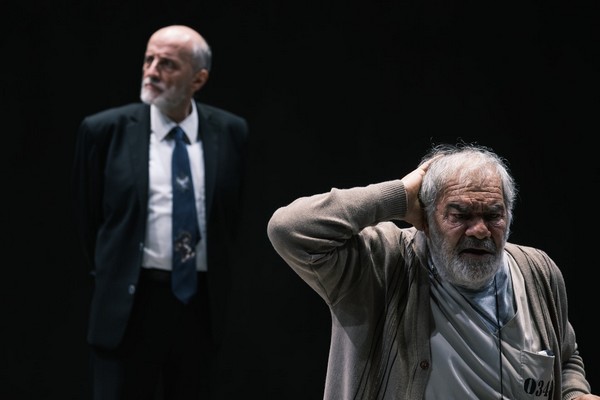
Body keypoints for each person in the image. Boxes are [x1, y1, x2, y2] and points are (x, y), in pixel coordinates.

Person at [267, 143, 598, 399]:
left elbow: (564, 357)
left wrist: (574, 393)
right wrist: (399, 197)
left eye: (493, 215)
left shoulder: (537, 272)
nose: (480, 230)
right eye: (460, 215)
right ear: (425, 217)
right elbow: (288, 229)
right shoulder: (382, 263)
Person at [72, 24, 249, 399]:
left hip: (198, 306)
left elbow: (230, 218)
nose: (151, 71)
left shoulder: (231, 132)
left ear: (198, 79)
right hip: (131, 304)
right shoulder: (104, 131)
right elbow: (89, 221)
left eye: (167, 63)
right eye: (148, 59)